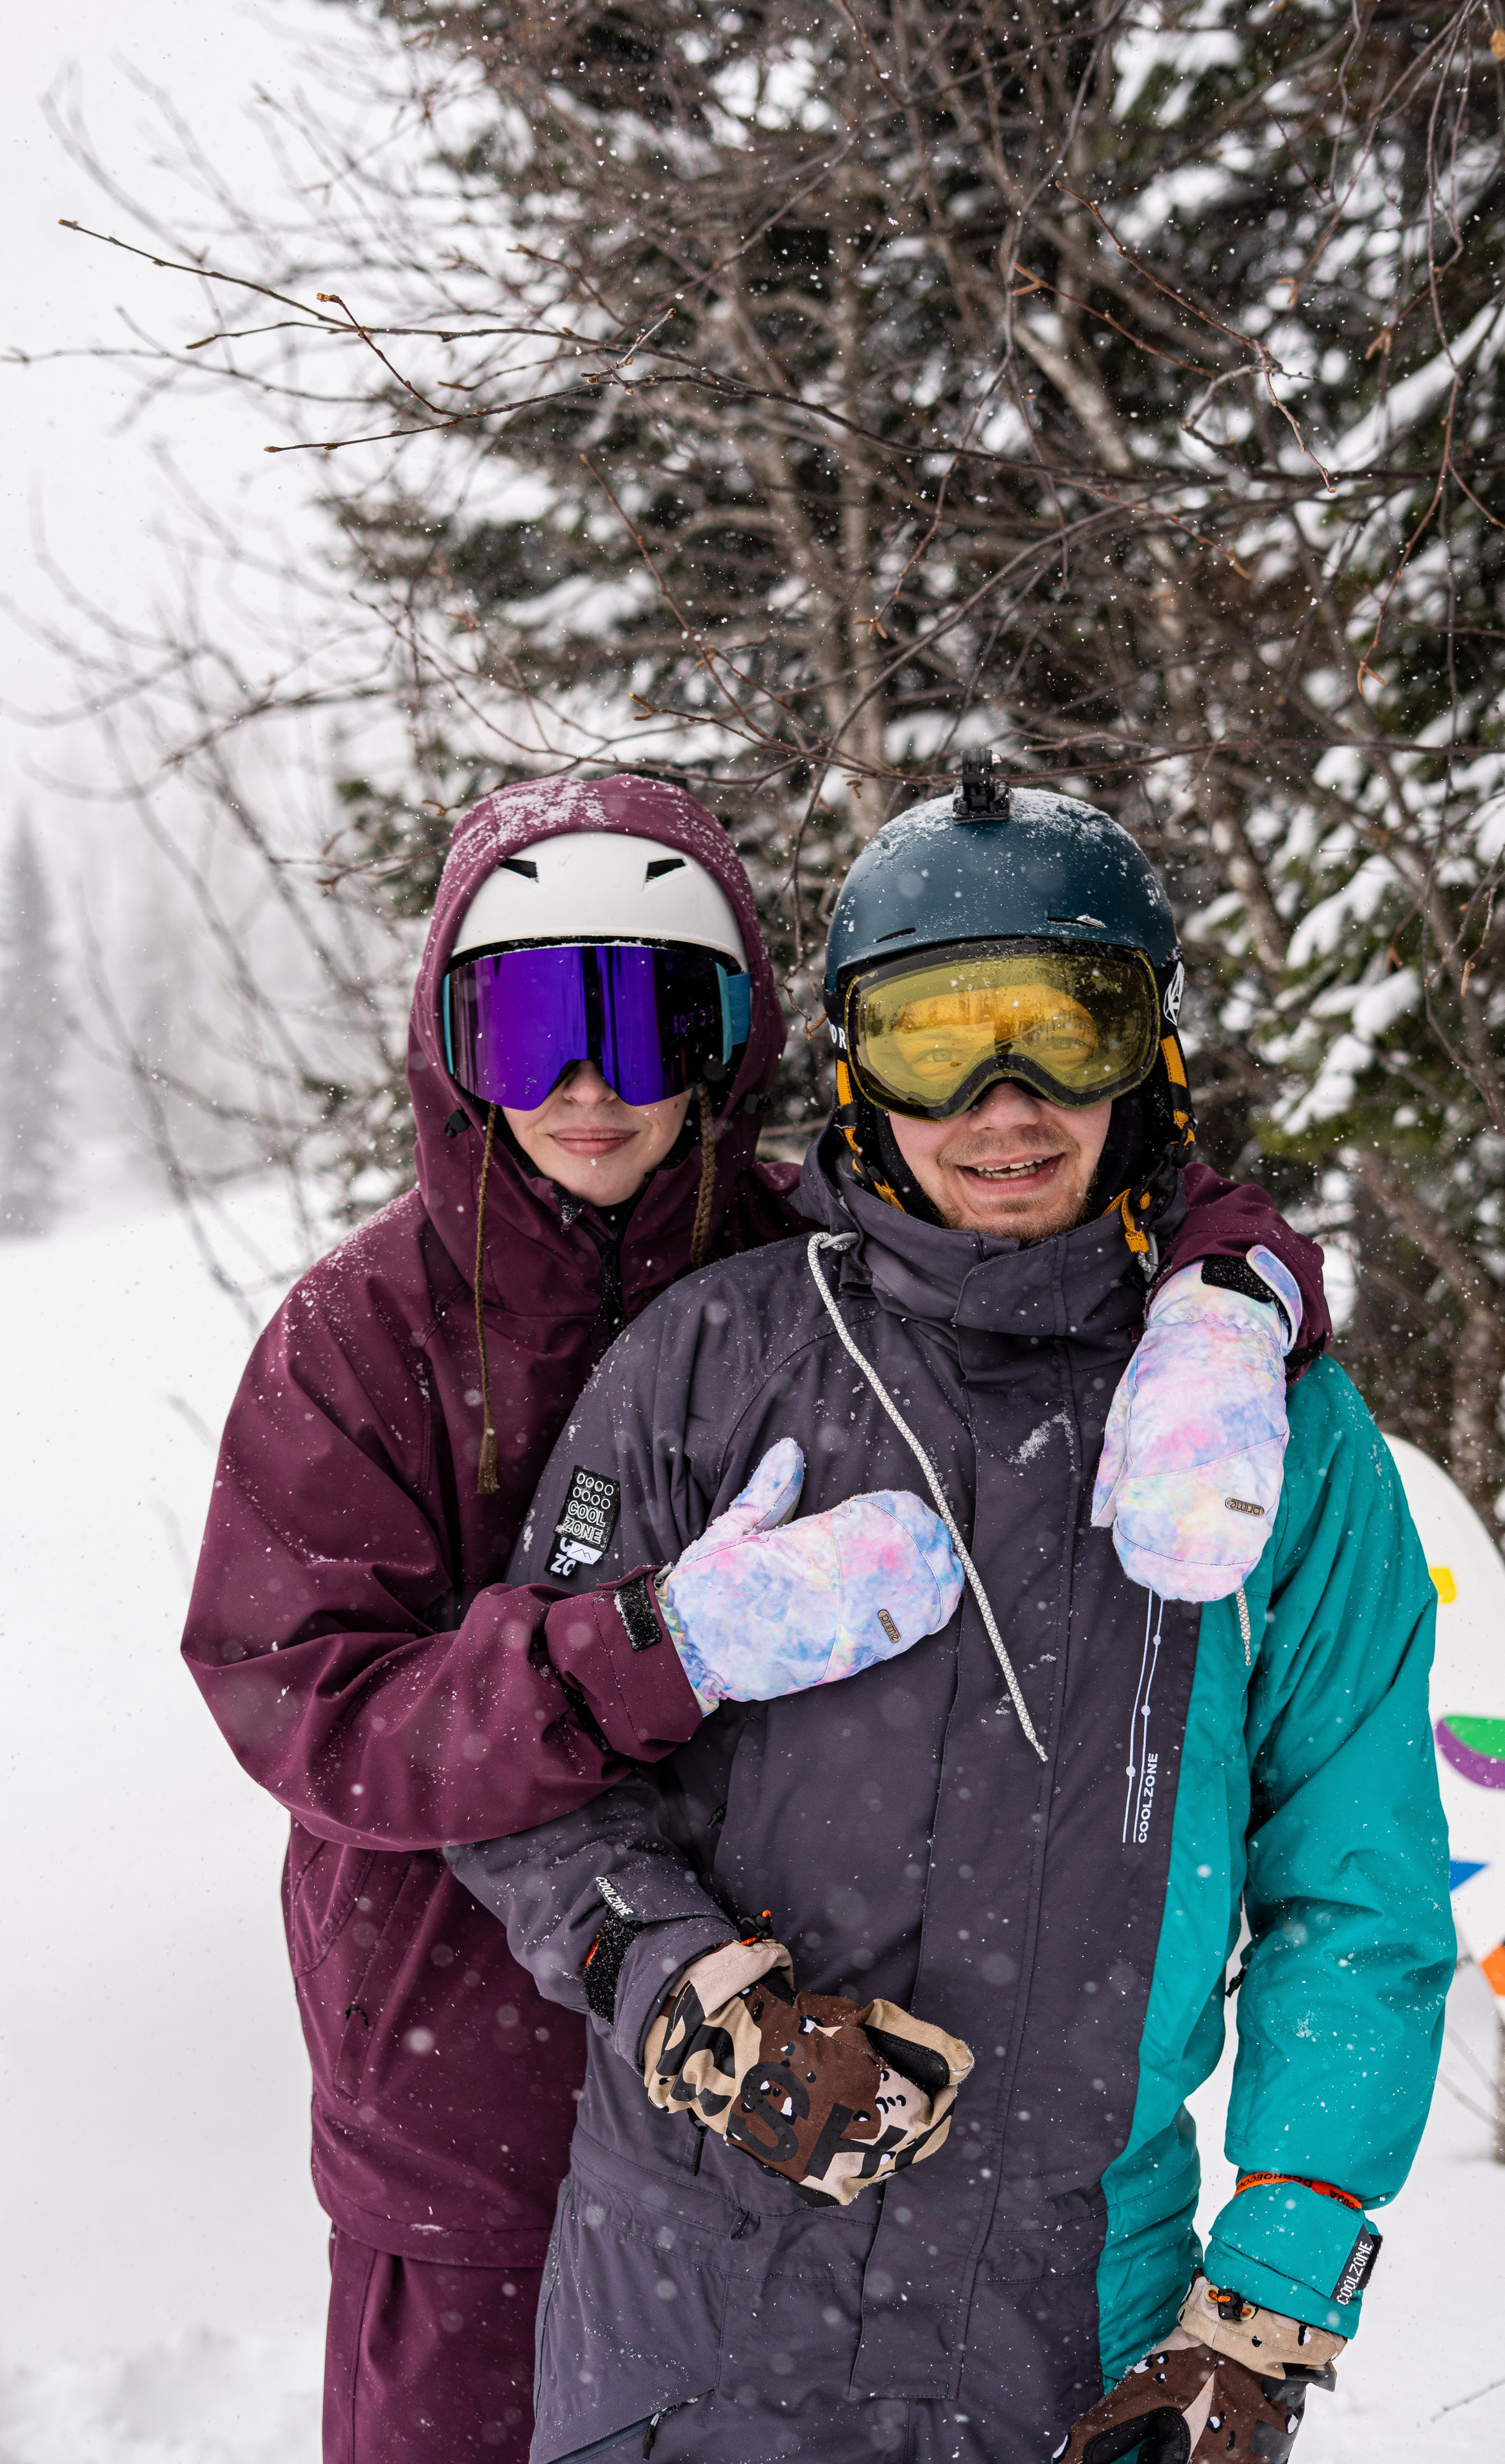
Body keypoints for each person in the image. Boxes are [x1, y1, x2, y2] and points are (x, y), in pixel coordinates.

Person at [182, 769, 1335, 2464]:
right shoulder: (364, 1333)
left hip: (778, 2138)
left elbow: (1099, 1198)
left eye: (647, 1026)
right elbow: (311, 1706)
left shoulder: (803, 1244)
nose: (587, 1088)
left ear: (734, 1043)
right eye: (529, 1032)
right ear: (452, 1048)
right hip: (471, 2094)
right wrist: (660, 1648)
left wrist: (1236, 1292)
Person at [448, 780, 1453, 2464]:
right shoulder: (712, 1362)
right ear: (858, 1063)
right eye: (936, 1041)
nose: (1005, 1108)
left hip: (1071, 2332)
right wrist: (693, 1996)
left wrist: (1268, 2307)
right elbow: (530, 1771)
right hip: (690, 2314)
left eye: (1064, 1029)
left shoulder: (1274, 1435)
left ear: (1148, 1050)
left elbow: (1356, 1894)